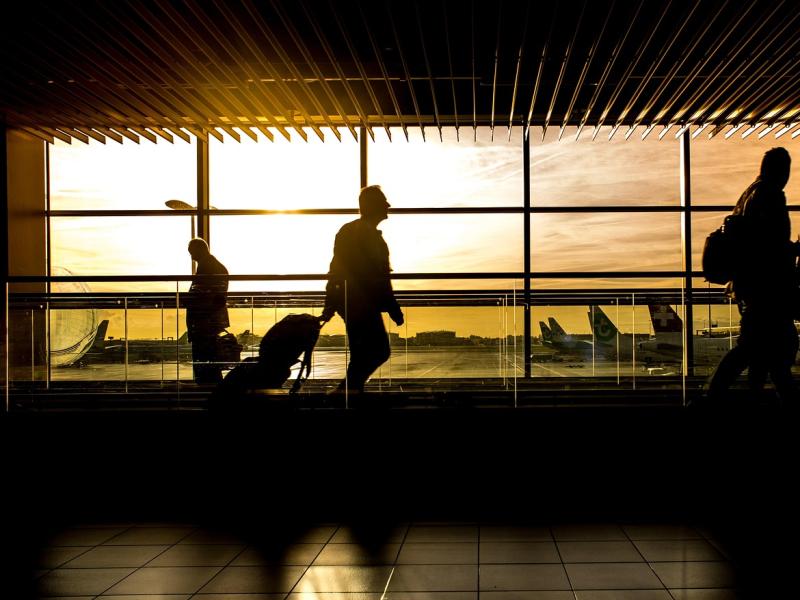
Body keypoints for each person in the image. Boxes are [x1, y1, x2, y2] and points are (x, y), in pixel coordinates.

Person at [707, 147, 798, 405]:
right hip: (767, 287)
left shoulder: (749, 195)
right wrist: (793, 249)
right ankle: (717, 396)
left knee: (759, 349)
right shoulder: (770, 195)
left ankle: (736, 396)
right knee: (767, 348)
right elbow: (770, 245)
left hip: (750, 286)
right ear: (780, 169)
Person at [321, 185, 404, 393]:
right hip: (360, 302)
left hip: (353, 301)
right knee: (378, 350)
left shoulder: (353, 232)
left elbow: (337, 269)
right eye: (383, 201)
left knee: (364, 352)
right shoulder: (366, 235)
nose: (388, 205)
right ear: (373, 206)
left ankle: (349, 392)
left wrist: (331, 302)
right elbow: (377, 277)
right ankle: (347, 392)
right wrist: (392, 307)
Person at [185, 238, 229, 384]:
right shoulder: (214, 266)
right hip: (208, 323)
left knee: (205, 364)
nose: (191, 257)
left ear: (200, 250)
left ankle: (207, 394)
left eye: (192, 253)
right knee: (210, 365)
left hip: (204, 323)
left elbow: (208, 298)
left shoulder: (208, 268)